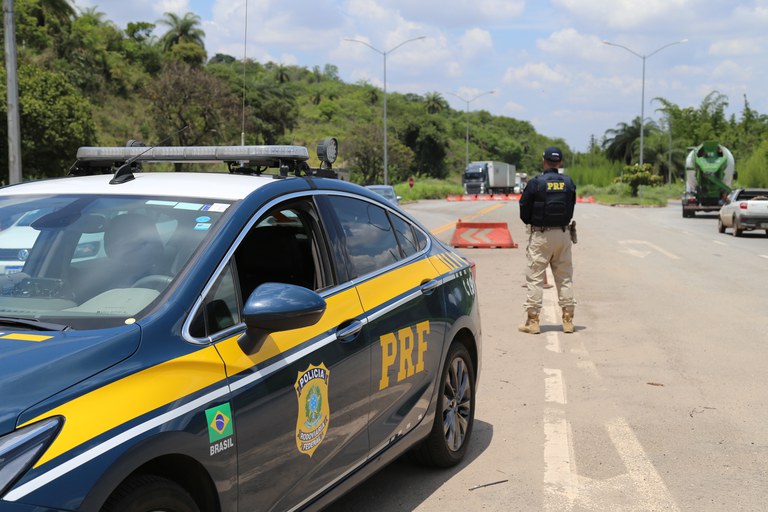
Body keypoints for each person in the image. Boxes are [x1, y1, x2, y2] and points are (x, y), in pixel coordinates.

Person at [518, 146, 577, 334]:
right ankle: (568, 320)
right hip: (563, 234)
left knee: (535, 278)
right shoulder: (569, 183)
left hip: (541, 235)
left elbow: (524, 210)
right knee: (565, 277)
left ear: (544, 161)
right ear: (560, 163)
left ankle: (533, 322)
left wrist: (533, 223)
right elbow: (571, 207)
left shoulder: (536, 183)